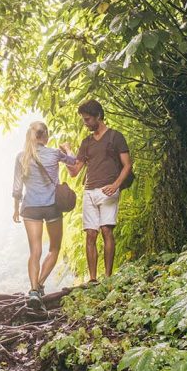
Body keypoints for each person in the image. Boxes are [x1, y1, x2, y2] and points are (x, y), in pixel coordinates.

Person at [62, 100, 132, 282]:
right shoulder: (86, 143)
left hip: (109, 189)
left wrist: (116, 185)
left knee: (107, 230)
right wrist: (67, 154)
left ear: (98, 116)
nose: (85, 123)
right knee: (91, 234)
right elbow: (75, 172)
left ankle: (108, 277)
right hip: (89, 192)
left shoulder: (115, 137)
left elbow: (127, 165)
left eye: (87, 119)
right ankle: (93, 279)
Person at [12, 121, 76, 309]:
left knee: (35, 251)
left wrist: (16, 208)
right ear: (46, 136)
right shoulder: (55, 154)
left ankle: (33, 290)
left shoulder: (21, 157)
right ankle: (39, 285)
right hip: (52, 207)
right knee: (54, 249)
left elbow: (17, 188)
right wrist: (68, 149)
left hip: (30, 207)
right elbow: (74, 162)